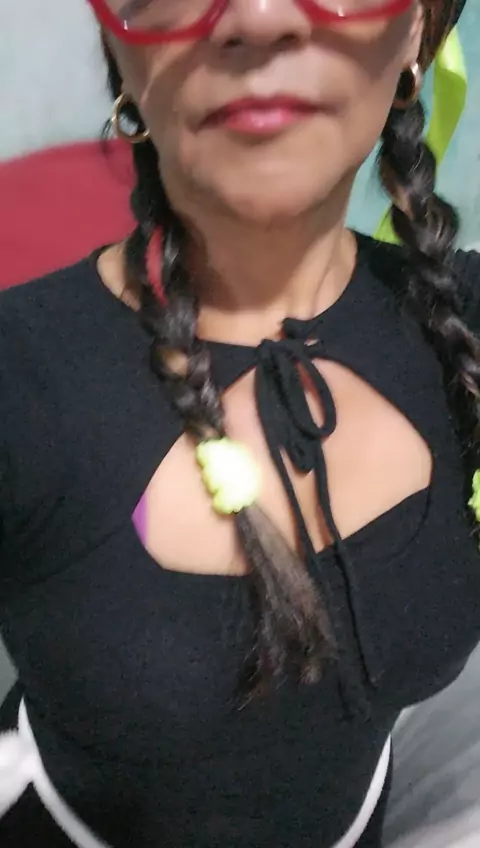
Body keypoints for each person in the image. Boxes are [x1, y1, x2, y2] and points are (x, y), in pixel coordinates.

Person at [0, 0, 479, 845]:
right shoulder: (19, 378)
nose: (258, 16)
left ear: (417, 32)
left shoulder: (459, 324)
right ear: (118, 44)